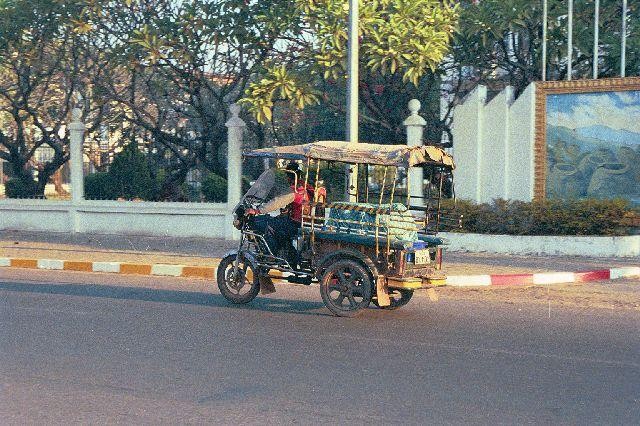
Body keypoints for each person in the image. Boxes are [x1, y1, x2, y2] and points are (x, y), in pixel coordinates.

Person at [246, 162, 312, 262]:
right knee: (277, 221)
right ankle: (287, 254)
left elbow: (277, 202)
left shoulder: (296, 190)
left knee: (267, 223)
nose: (287, 178)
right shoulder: (307, 187)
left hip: (296, 224)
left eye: (287, 176)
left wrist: (257, 210)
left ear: (291, 175)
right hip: (304, 222)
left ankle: (271, 255)